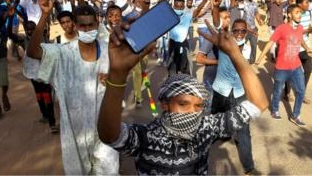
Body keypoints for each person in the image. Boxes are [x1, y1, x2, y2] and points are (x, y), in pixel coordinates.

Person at [97, 18, 268, 175]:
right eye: (183, 104)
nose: (193, 112)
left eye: (199, 106)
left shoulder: (205, 129)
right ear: (165, 104)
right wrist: (117, 74)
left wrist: (234, 54)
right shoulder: (146, 137)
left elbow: (259, 103)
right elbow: (110, 136)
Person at [23, 0, 119, 174]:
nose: (87, 29)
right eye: (82, 26)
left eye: (90, 25)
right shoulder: (62, 53)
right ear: (75, 26)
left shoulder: (109, 51)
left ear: (97, 24)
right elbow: (34, 53)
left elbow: (125, 69)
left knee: (108, 170)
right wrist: (44, 15)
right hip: (74, 132)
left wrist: (112, 79)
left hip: (104, 126)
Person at [211, 18, 255, 174]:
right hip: (220, 90)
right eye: (236, 30)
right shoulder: (224, 42)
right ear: (231, 30)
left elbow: (244, 70)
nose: (239, 33)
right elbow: (216, 25)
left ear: (247, 31)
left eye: (243, 30)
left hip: (238, 92)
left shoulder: (248, 48)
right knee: (215, 120)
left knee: (244, 129)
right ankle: (213, 142)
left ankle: (248, 165)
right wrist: (215, 6)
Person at [256, 4, 311, 126]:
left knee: (301, 91)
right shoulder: (281, 28)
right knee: (277, 91)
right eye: (297, 12)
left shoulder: (300, 28)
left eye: (300, 13)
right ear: (290, 15)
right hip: (282, 68)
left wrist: (307, 48)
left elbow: (300, 39)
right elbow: (270, 43)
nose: (299, 15)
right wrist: (260, 58)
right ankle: (275, 110)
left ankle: (296, 115)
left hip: (296, 66)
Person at [24, 21, 58, 133]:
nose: (30, 32)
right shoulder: (24, 40)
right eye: (28, 29)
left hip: (44, 72)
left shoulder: (44, 40)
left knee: (47, 95)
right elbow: (10, 34)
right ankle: (45, 115)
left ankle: (52, 123)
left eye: (32, 29)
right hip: (33, 74)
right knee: (39, 95)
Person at [238, 0, 264, 64]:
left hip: (253, 28)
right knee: (241, 45)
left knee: (254, 46)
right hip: (244, 29)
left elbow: (256, 13)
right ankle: (240, 61)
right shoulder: (242, 3)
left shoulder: (254, 3)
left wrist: (259, 20)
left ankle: (252, 62)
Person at [168, 0, 194, 75]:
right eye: (176, 7)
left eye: (181, 7)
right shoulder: (170, 16)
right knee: (172, 64)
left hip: (184, 43)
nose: (178, 9)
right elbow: (162, 6)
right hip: (172, 43)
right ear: (173, 6)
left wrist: (206, 0)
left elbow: (198, 11)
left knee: (185, 65)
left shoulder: (187, 16)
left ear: (184, 7)